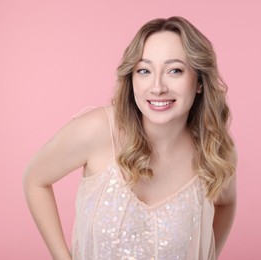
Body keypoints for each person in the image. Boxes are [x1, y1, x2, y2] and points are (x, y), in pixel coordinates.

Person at [23, 16, 237, 260]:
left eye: (174, 70)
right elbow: (35, 179)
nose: (157, 87)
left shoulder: (214, 150)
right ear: (131, 78)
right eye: (144, 70)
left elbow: (226, 204)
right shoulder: (99, 130)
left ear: (199, 81)